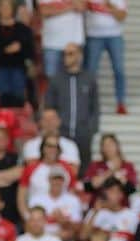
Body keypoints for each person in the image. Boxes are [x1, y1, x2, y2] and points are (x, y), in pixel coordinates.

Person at [43, 42, 100, 171]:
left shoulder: (89, 78)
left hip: (84, 132)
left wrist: (91, 128)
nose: (66, 57)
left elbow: (95, 106)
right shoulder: (56, 79)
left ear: (79, 56)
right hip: (62, 133)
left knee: (85, 166)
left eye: (71, 53)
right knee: (64, 166)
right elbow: (49, 106)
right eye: (65, 54)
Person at [0, 0, 35, 107]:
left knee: (19, 98)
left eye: (8, 6)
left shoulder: (23, 29)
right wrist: (5, 50)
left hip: (19, 69)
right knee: (1, 98)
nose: (5, 9)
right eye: (2, 6)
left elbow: (30, 51)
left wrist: (20, 48)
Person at [84, 0, 127, 113]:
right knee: (91, 71)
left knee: (119, 70)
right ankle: (88, 102)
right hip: (94, 36)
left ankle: (120, 102)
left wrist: (110, 6)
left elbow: (122, 16)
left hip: (115, 35)